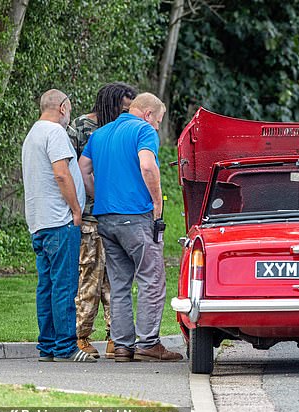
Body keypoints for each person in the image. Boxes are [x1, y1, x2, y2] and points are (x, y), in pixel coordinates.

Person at [78, 92, 182, 362]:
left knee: (120, 283)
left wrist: (98, 195)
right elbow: (148, 166)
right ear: (148, 114)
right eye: (158, 121)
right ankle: (149, 342)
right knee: (151, 278)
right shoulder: (143, 131)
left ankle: (122, 345)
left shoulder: (99, 134)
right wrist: (157, 203)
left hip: (105, 218)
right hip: (135, 215)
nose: (157, 126)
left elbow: (83, 169)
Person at [21, 89, 96, 363]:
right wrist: (76, 210)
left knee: (47, 286)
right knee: (64, 285)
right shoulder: (55, 133)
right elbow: (61, 174)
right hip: (59, 221)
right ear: (63, 107)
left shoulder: (33, 134)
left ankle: (48, 346)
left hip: (39, 222)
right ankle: (65, 347)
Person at [68, 82, 137, 359]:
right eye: (122, 108)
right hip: (89, 217)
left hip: (117, 215)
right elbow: (69, 171)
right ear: (108, 104)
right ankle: (80, 336)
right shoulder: (80, 128)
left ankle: (115, 337)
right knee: (90, 278)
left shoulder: (121, 131)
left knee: (116, 280)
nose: (126, 114)